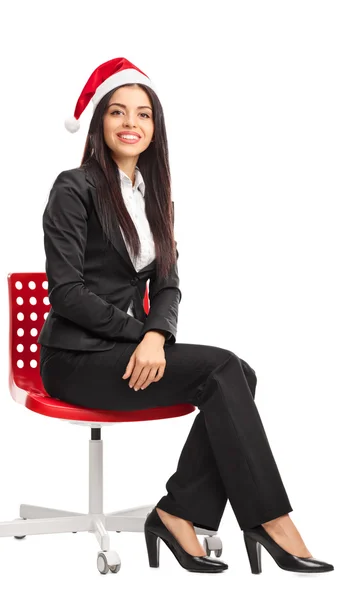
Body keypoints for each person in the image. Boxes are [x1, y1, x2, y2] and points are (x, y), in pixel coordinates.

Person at [38, 57, 333, 574]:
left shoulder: (155, 199)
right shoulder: (73, 189)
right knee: (224, 368)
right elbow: (67, 293)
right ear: (100, 123)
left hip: (127, 350)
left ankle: (178, 513)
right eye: (118, 112)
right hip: (77, 358)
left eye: (144, 114)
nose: (131, 123)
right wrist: (144, 336)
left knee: (240, 373)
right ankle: (270, 521)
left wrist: (158, 333)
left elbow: (168, 284)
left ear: (155, 130)